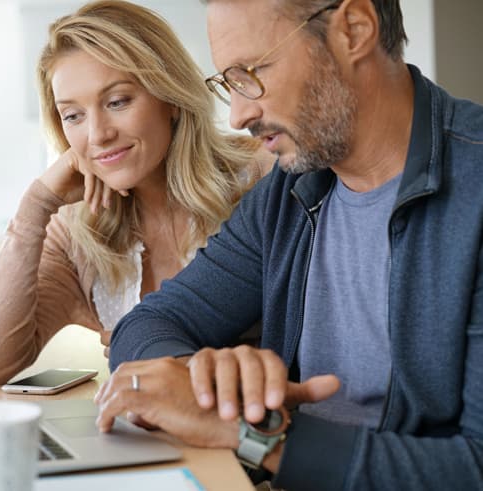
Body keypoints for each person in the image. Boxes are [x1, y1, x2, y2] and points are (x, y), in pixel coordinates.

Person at [96, 0, 483, 489]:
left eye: (251, 72)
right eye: (228, 83)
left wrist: (254, 434)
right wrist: (199, 378)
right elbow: (149, 321)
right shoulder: (288, 194)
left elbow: (474, 467)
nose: (238, 115)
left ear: (354, 29)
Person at [0, 0, 270, 386]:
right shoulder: (77, 231)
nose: (98, 135)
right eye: (73, 115)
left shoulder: (261, 177)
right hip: (139, 431)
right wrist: (36, 206)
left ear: (170, 98)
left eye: (117, 101)